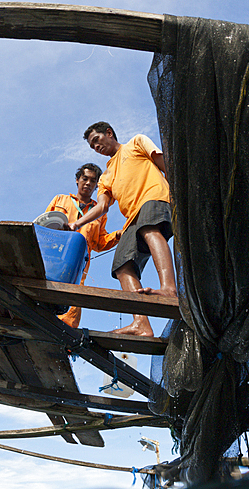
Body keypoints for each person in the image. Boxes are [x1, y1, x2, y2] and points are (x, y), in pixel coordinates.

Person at [68, 122, 177, 337]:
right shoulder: (106, 177)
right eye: (92, 146)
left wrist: (179, 190)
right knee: (122, 266)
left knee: (149, 230)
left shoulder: (136, 143)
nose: (96, 147)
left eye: (97, 140)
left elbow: (163, 162)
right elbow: (101, 206)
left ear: (109, 133)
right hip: (132, 218)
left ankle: (169, 289)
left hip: (154, 197)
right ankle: (141, 324)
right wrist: (77, 223)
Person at [45, 163, 121, 328]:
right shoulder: (60, 199)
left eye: (92, 181)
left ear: (96, 186)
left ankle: (65, 343)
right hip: (51, 261)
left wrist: (118, 235)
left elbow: (99, 242)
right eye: (84, 178)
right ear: (77, 180)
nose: (88, 183)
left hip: (77, 267)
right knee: (43, 298)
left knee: (70, 310)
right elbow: (43, 227)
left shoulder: (99, 211)